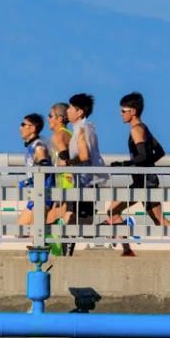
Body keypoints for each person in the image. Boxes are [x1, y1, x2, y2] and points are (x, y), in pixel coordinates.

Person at [104, 92, 170, 258]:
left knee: (159, 220)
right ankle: (127, 250)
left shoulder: (136, 130)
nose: (120, 114)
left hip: (145, 183)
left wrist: (125, 164)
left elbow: (142, 155)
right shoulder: (144, 128)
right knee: (114, 210)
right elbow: (159, 152)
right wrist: (145, 165)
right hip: (144, 180)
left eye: (123, 110)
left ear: (133, 111)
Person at [15, 113, 72, 232]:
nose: (20, 128)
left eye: (23, 124)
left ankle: (59, 230)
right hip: (36, 193)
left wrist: (27, 181)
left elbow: (44, 165)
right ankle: (55, 228)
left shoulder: (39, 146)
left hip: (43, 194)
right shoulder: (32, 145)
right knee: (20, 230)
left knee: (36, 233)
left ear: (32, 128)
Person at [64, 93, 105, 240]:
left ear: (80, 112)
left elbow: (84, 156)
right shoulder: (83, 128)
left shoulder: (82, 129)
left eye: (70, 108)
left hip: (86, 183)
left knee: (76, 221)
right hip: (85, 181)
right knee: (80, 222)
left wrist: (68, 163)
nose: (67, 111)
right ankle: (68, 254)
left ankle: (115, 226)